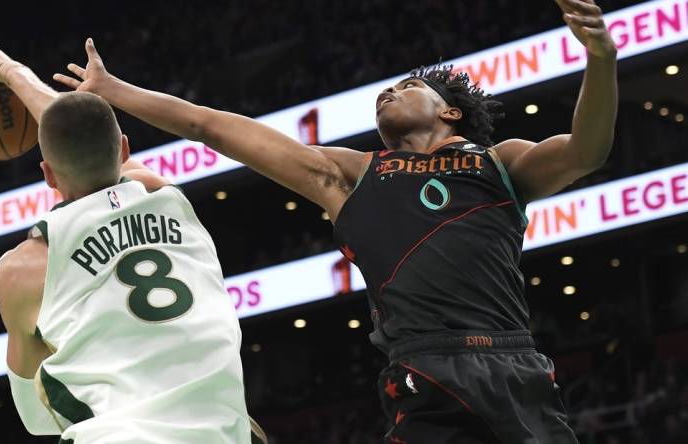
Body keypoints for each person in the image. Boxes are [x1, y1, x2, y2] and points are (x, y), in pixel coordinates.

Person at [52, 0, 615, 441]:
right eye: (387, 91)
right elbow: (212, 127)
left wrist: (601, 58)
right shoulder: (351, 175)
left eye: (409, 86)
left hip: (512, 361)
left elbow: (586, 151)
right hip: (424, 373)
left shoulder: (501, 162)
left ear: (450, 111)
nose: (390, 91)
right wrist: (113, 91)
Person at [0, 43, 267, 444]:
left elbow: (39, 415)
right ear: (126, 148)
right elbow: (81, 132)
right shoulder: (167, 199)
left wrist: (10, 73)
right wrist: (11, 71)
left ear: (47, 174)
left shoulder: (21, 270)